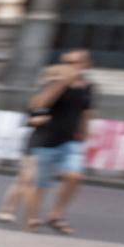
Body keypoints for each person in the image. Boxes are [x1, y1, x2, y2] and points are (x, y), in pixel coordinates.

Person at [11, 49, 93, 234]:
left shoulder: (87, 87)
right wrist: (61, 83)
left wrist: (86, 131)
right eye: (68, 63)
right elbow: (39, 105)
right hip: (46, 139)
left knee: (75, 176)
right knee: (40, 184)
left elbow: (86, 111)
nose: (71, 67)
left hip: (70, 140)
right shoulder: (54, 82)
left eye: (75, 63)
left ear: (86, 65)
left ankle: (56, 215)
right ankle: (32, 218)